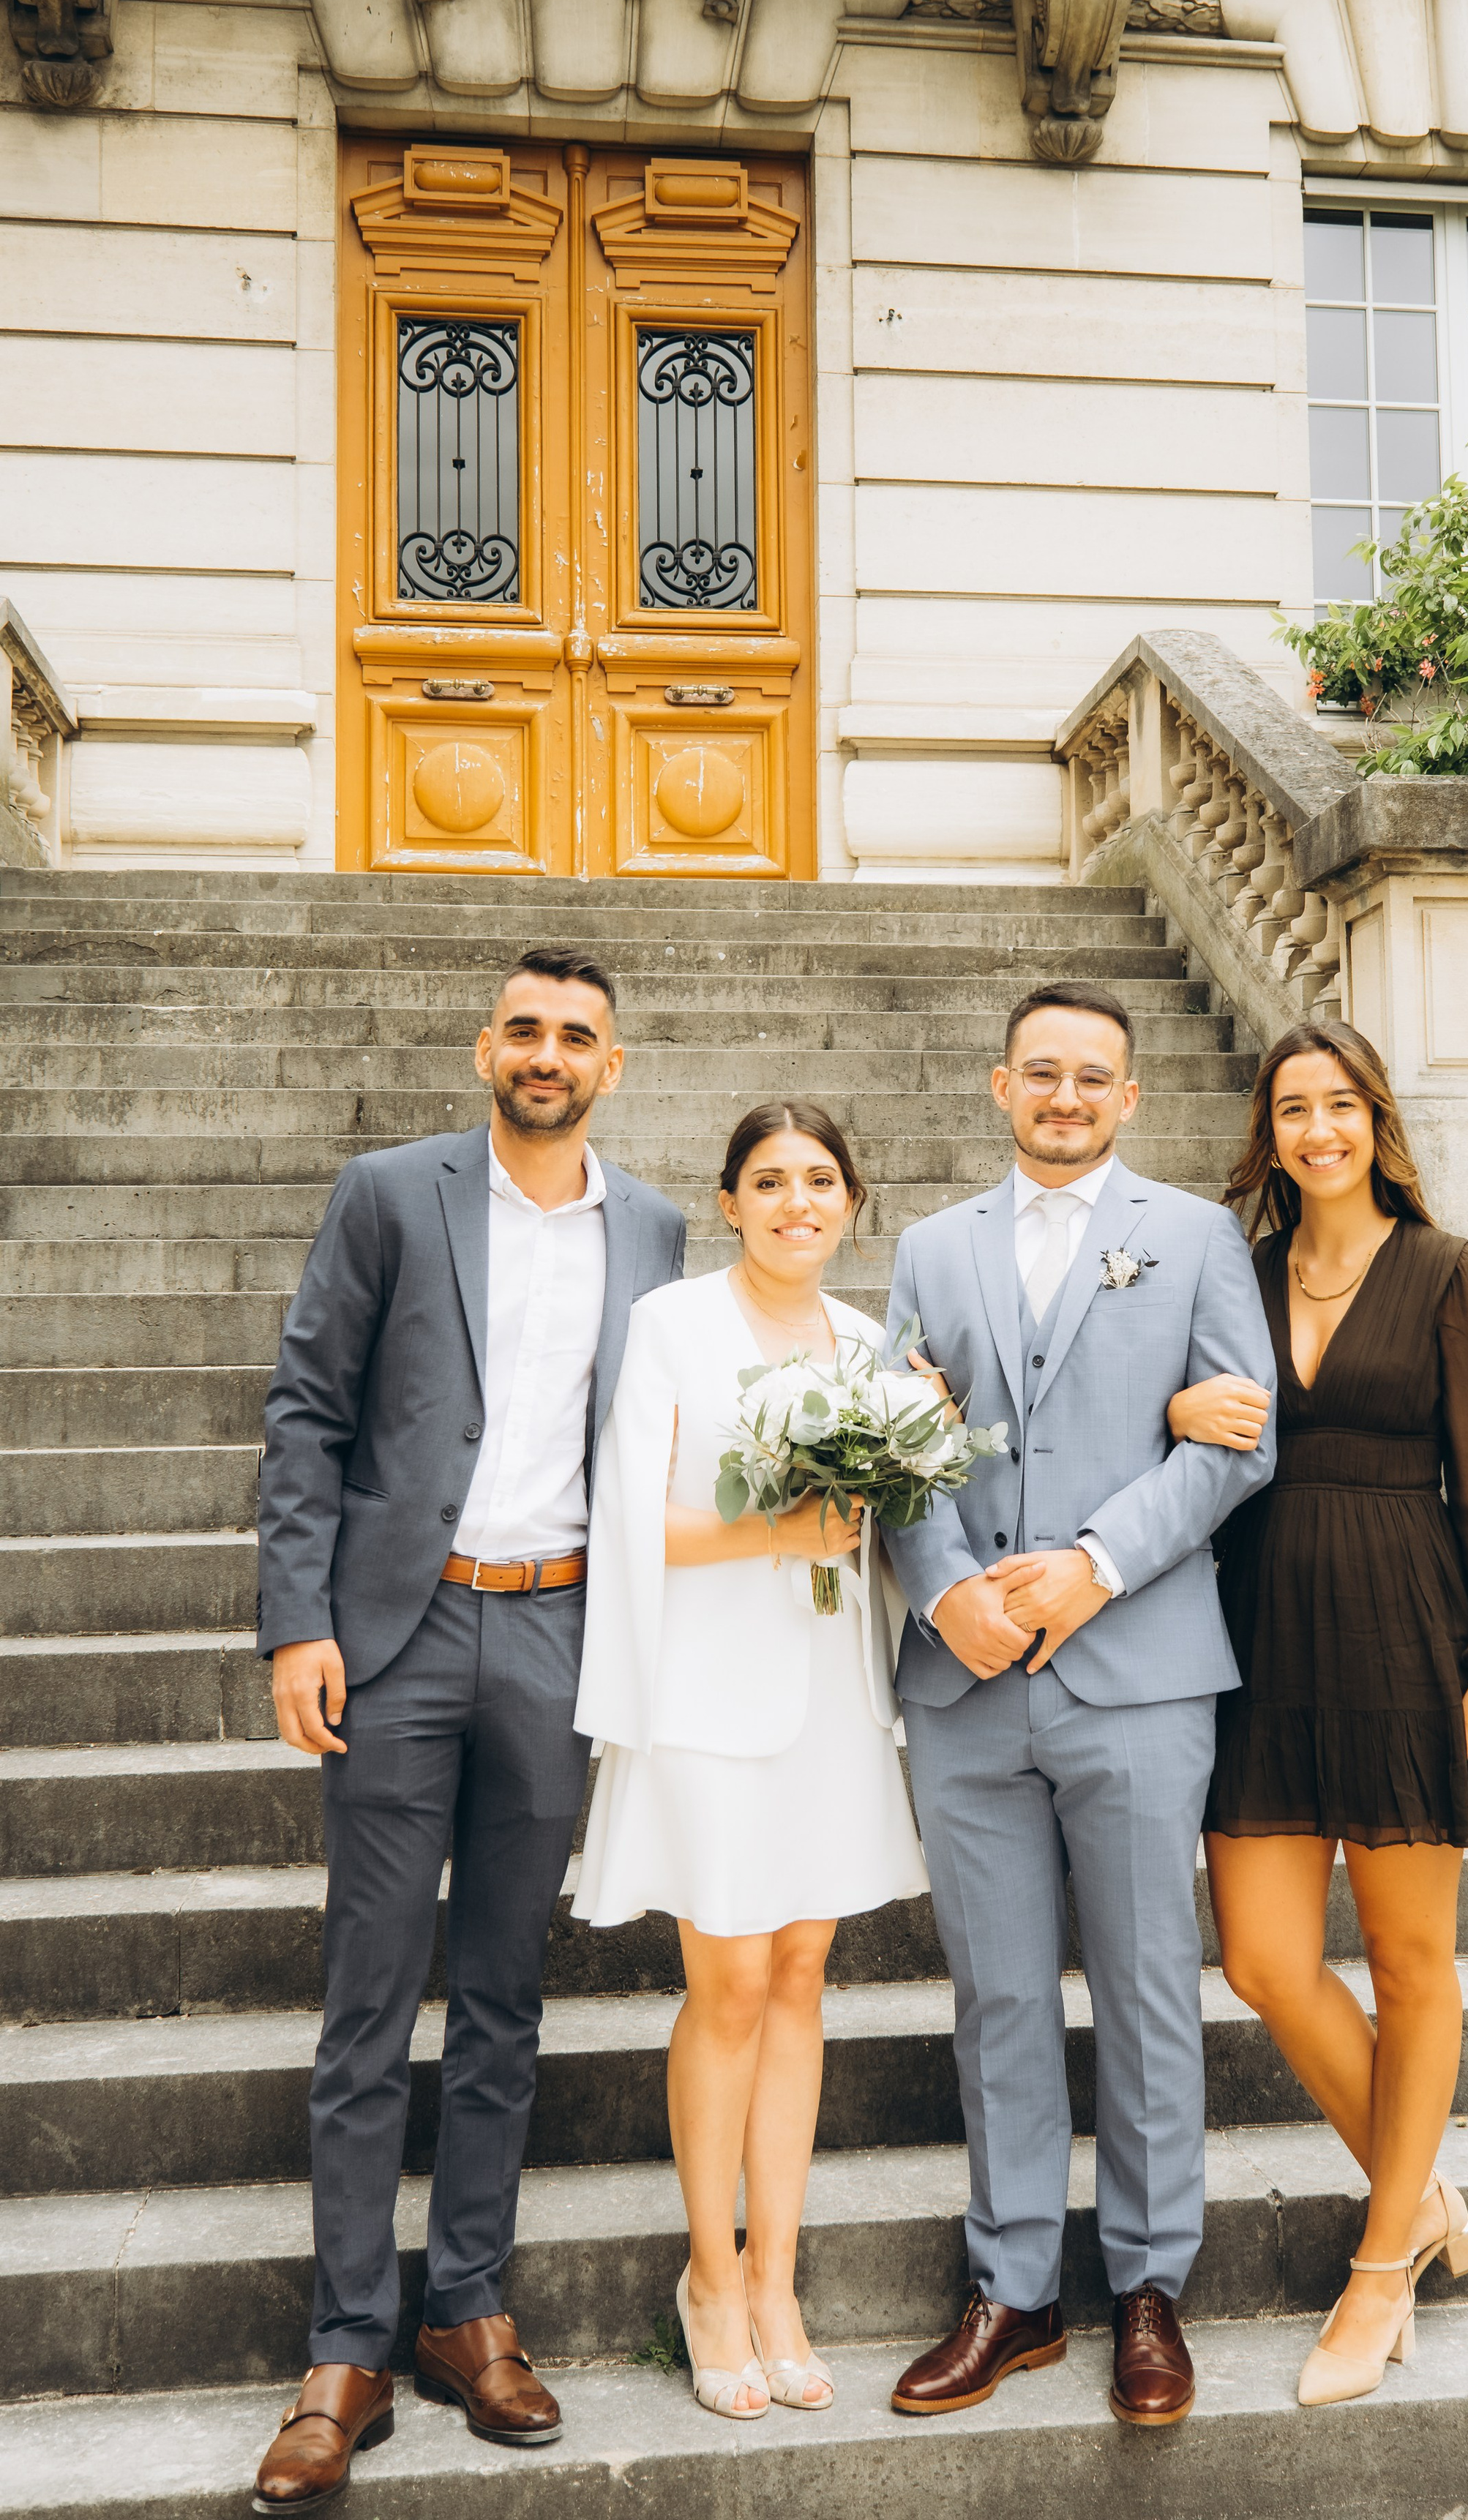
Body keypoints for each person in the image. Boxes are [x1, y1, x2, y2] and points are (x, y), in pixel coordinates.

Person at [251, 950, 685, 2512]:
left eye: (575, 1035)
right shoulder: (391, 1194)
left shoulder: (652, 1228)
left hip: (558, 1634)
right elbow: (309, 1405)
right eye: (523, 1029)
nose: (546, 1053)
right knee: (370, 1999)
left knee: (505, 1994)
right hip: (401, 1630)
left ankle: (466, 2311)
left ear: (611, 1065)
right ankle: (346, 2343)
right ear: (483, 1049)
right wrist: (300, 1620)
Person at [881, 981, 1278, 2430]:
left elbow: (1239, 1439)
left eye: (1089, 1077)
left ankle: (1150, 2287)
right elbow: (890, 1440)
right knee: (995, 1994)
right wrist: (947, 1596)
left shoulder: (1189, 1241)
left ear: (1127, 1098)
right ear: (999, 1089)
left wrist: (1094, 1567)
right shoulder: (927, 1250)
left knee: (1144, 1988)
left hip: (1136, 1675)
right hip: (967, 1688)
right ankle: (1012, 2291)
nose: (1062, 1097)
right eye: (1038, 1073)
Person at [1181, 1019, 1468, 2408]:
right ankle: (1415, 2199)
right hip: (1263, 1645)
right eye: (1293, 1108)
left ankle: (1376, 2268)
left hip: (1412, 1643)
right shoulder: (1233, 1274)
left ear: (1374, 1119)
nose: (1317, 1130)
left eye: (1338, 1104)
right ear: (1269, 1132)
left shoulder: (1446, 1273)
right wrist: (1182, 1403)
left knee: (1411, 1967)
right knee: (1264, 1960)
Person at [573, 1101, 928, 2421]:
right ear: (729, 1202)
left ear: (850, 1203)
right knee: (726, 1985)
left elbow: (879, 1529)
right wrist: (775, 1530)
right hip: (706, 1696)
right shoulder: (674, 1325)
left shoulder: (870, 1343)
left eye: (821, 1180)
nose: (797, 1202)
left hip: (832, 1693)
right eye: (769, 1181)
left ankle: (779, 2279)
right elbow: (635, 1520)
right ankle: (709, 2278)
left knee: (801, 1976)